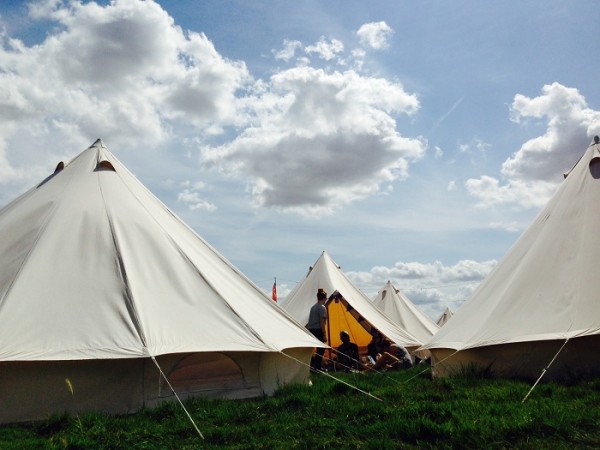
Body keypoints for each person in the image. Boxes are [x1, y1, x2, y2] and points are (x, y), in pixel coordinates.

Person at [306, 288, 328, 371]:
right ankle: (317, 367)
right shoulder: (322, 308)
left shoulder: (313, 307)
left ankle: (311, 366)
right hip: (318, 330)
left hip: (311, 329)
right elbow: (322, 322)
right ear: (324, 298)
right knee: (321, 349)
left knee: (311, 349)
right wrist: (324, 334)